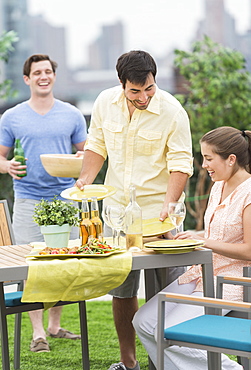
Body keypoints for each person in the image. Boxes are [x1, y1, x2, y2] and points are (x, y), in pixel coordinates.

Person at [75, 50, 193, 370]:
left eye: (149, 88)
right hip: (116, 214)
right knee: (122, 289)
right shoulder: (104, 102)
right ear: (121, 84)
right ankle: (129, 362)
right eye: (135, 90)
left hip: (158, 215)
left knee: (166, 294)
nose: (143, 97)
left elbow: (181, 163)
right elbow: (96, 144)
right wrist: (84, 179)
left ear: (155, 79)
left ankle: (166, 362)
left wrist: (170, 205)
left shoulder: (172, 110)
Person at [133, 126, 251, 370]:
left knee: (172, 333)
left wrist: (202, 242)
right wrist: (188, 235)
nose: (204, 164)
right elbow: (217, 235)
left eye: (209, 158)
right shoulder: (219, 185)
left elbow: (249, 250)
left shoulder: (249, 193)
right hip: (201, 272)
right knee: (143, 321)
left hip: (232, 280)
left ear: (231, 159)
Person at [0, 54, 87, 353]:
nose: (43, 76)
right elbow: (0, 157)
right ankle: (39, 333)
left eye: (48, 71)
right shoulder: (11, 117)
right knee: (30, 266)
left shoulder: (72, 114)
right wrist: (7, 165)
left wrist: (80, 160)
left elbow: (86, 155)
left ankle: (54, 324)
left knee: (63, 263)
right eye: (37, 72)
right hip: (27, 199)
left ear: (54, 76)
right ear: (27, 79)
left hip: (66, 197)